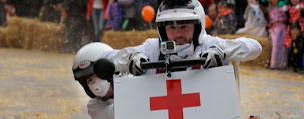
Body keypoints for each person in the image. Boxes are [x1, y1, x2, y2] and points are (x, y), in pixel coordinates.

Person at [104, 0, 262, 74]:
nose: (178, 33)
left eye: (184, 27)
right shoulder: (152, 48)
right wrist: (130, 58)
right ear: (162, 30)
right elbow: (106, 59)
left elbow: (255, 47)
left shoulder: (209, 44)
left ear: (198, 27)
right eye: (172, 27)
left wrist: (222, 51)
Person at [268, 0, 289, 69]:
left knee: (279, 44)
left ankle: (280, 64)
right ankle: (273, 63)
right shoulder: (271, 7)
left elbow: (286, 15)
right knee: (273, 44)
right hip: (273, 28)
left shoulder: (283, 6)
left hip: (281, 28)